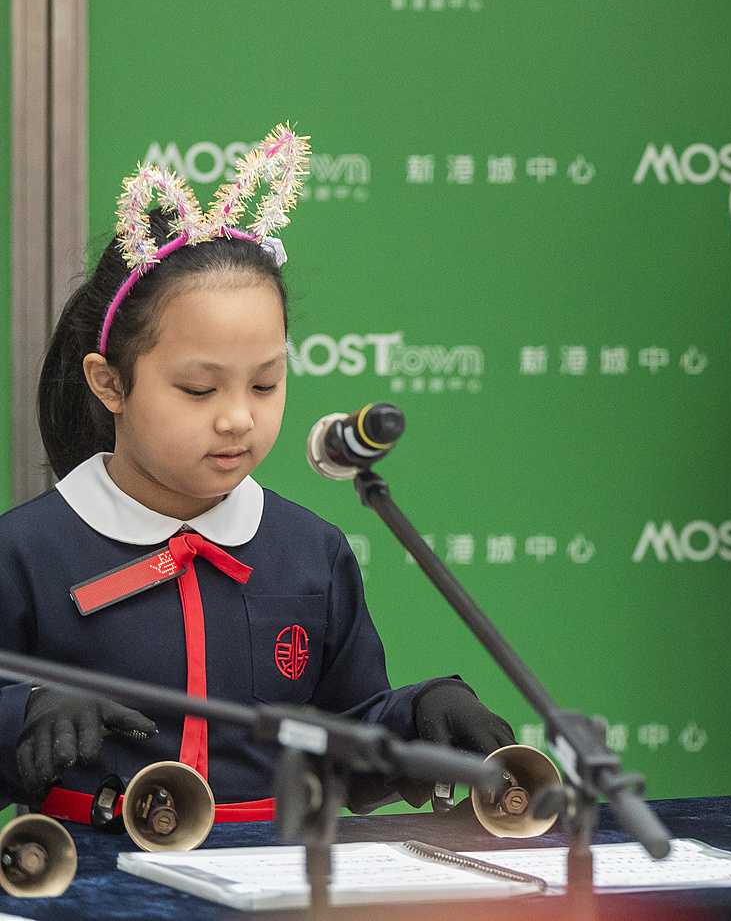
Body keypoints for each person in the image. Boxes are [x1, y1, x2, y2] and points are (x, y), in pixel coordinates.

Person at [0, 128, 515, 821]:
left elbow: (341, 740)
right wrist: (23, 713)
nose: (238, 419)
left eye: (266, 384)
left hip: (276, 869)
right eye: (199, 389)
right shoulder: (26, 552)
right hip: (87, 869)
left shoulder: (310, 552)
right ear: (110, 383)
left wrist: (418, 714)